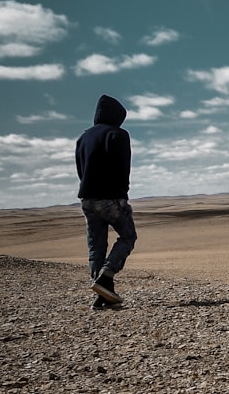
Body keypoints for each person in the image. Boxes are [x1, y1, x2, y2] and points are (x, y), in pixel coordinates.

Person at [76, 94, 137, 310]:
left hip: (87, 199)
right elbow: (123, 166)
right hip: (111, 197)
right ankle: (106, 277)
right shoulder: (118, 135)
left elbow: (80, 169)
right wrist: (122, 191)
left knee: (96, 246)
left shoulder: (83, 138)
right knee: (128, 236)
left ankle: (103, 295)